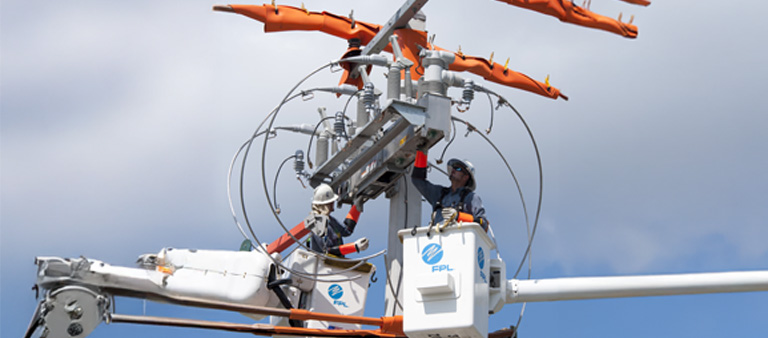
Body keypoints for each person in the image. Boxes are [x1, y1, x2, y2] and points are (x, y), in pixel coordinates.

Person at [411, 150, 489, 230]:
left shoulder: (471, 198)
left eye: (458, 169)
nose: (453, 170)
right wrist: (422, 151)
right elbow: (417, 180)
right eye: (453, 168)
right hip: (437, 239)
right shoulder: (440, 194)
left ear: (466, 177)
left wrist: (458, 217)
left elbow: (483, 224)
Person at [306, 184, 369, 257]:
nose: (333, 203)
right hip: (324, 264)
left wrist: (356, 207)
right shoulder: (317, 223)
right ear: (326, 204)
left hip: (334, 263)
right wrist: (354, 247)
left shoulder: (330, 220)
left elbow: (347, 230)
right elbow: (327, 250)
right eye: (331, 202)